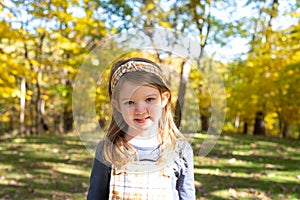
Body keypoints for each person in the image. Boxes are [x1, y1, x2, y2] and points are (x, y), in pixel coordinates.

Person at [87, 57, 195, 200]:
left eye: (149, 99)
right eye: (130, 102)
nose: (140, 110)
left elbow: (186, 195)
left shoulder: (180, 151)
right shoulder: (108, 150)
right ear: (117, 105)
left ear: (164, 99)